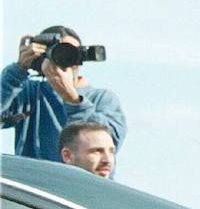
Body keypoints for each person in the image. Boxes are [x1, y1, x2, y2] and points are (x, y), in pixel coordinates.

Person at [2, 26, 126, 162]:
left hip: (82, 182)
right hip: (34, 180)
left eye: (71, 53)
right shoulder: (29, 93)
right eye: (58, 52)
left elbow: (108, 145)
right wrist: (17, 71)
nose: (64, 59)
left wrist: (72, 98)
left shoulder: (103, 98)